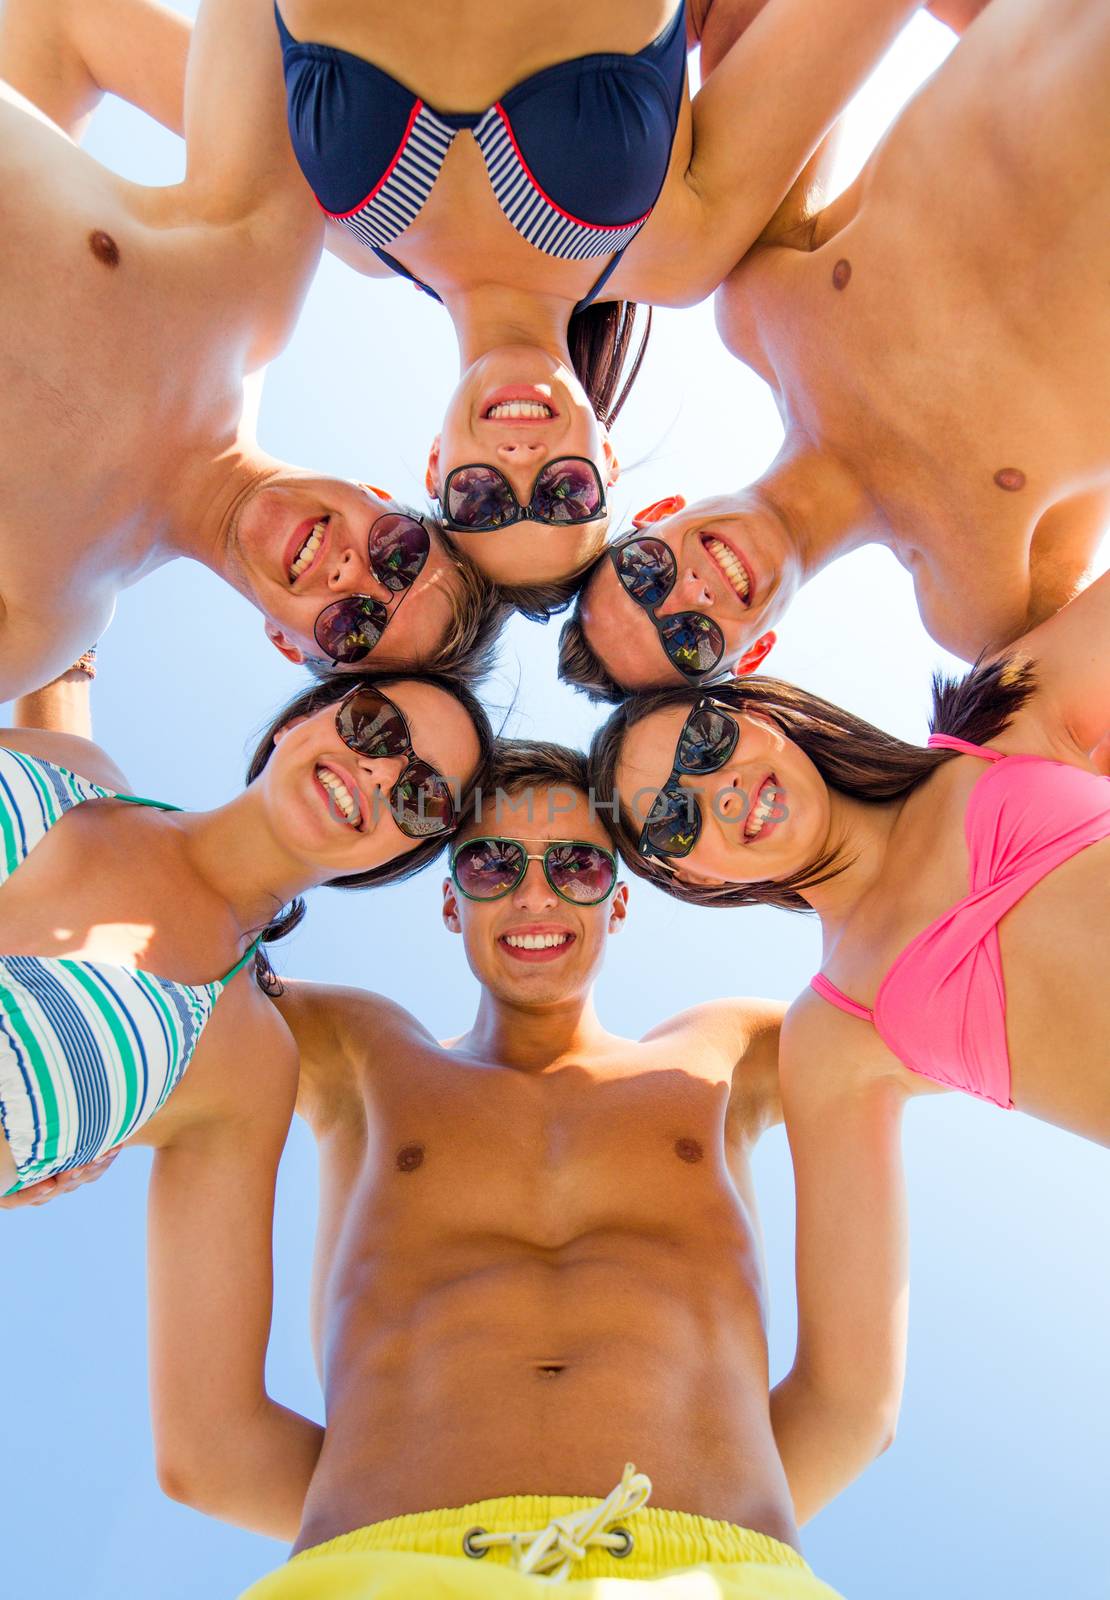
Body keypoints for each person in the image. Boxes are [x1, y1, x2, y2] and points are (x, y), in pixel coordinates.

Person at [140, 738, 903, 1597]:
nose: (535, 894)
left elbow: (938, 984)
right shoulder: (359, 1050)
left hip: (719, 1570)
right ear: (449, 900)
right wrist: (66, 665)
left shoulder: (727, 1051)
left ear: (619, 904)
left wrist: (715, 1513)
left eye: (578, 866)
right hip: (378, 1569)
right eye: (492, 863)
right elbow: (155, 965)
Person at [271, 0, 927, 601]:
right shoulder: (677, 262)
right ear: (607, 460)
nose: (522, 466)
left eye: (481, 501)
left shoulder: (345, 242)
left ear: (437, 465)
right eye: (566, 495)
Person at [559, 0, 1110, 700]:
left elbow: (763, 21)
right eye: (688, 642)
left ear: (654, 513)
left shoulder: (757, 306)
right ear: (754, 654)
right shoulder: (983, 609)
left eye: (643, 577)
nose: (685, 593)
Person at [0, 0, 510, 703]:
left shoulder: (40, 620)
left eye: (356, 628)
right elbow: (55, 16)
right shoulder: (253, 271)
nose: (350, 576)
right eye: (399, 556)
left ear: (285, 642)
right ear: (382, 497)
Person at [590, 567, 1110, 1151]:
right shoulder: (834, 1032)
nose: (721, 791)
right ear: (696, 877)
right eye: (673, 820)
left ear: (758, 716)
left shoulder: (998, 720)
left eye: (705, 740)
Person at [0, 664, 492, 1201]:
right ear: (299, 720)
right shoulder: (70, 767)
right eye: (374, 724)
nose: (381, 773)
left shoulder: (246, 1062)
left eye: (422, 798)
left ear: (400, 857)